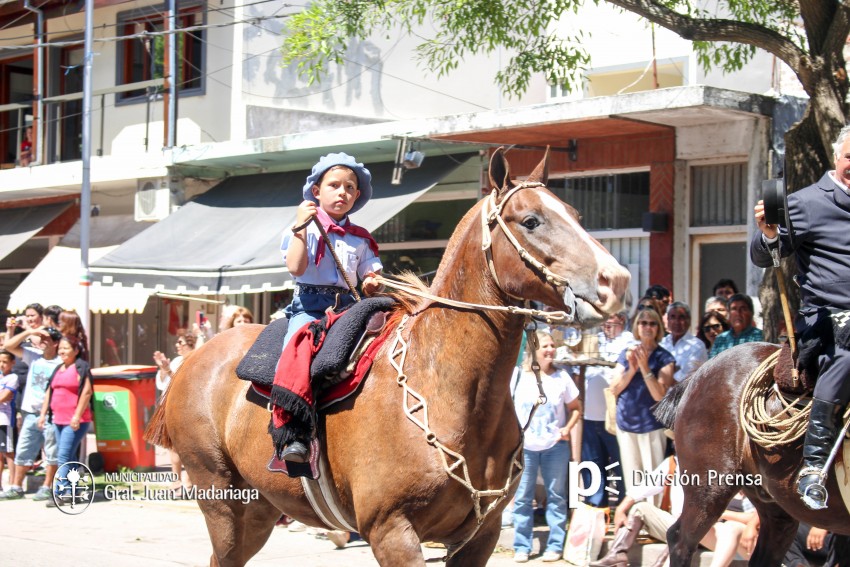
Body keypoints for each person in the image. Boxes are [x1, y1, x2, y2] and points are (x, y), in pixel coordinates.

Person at [752, 123, 850, 510]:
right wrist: (771, 236)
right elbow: (763, 256)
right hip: (825, 321)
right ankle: (814, 464)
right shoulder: (806, 202)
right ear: (837, 157)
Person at [278, 152, 383, 462]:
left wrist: (373, 283)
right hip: (309, 308)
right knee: (295, 354)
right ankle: (293, 434)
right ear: (316, 192)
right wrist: (300, 227)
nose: (343, 193)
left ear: (357, 195)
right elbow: (296, 268)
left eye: (350, 187)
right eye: (334, 185)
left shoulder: (361, 238)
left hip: (351, 309)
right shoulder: (302, 228)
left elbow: (371, 274)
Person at [591, 456, 758, 567]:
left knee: (728, 528)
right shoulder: (673, 463)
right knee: (642, 509)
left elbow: (755, 517)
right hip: (692, 527)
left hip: (732, 535)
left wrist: (718, 514)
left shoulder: (730, 475)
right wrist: (621, 508)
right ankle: (618, 554)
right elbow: (644, 486)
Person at [511, 330, 582, 563]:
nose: (551, 349)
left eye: (553, 345)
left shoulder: (562, 378)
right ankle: (521, 546)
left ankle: (555, 545)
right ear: (533, 351)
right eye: (545, 346)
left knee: (557, 497)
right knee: (522, 498)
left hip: (555, 447)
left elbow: (576, 409)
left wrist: (566, 428)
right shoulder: (517, 377)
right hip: (525, 448)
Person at [609, 307, 675, 501]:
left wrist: (645, 367)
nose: (647, 327)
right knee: (632, 479)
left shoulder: (664, 357)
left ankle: (652, 520)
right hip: (626, 424)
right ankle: (634, 520)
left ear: (658, 328)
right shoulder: (626, 353)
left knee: (652, 479)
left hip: (652, 426)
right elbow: (614, 389)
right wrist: (631, 369)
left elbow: (659, 395)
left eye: (652, 323)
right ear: (637, 326)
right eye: (643, 322)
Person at [0, 327, 62, 501]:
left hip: (51, 414)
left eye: (46, 338)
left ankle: (46, 486)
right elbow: (9, 345)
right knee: (23, 450)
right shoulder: (34, 356)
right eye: (40, 337)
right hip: (30, 412)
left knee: (51, 451)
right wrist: (29, 331)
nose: (42, 340)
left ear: (55, 343)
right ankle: (16, 487)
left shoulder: (59, 362)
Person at [581, 312, 634, 507]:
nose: (607, 323)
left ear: (622, 319)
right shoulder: (593, 339)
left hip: (615, 418)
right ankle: (595, 513)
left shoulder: (628, 341)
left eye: (612, 318)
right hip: (589, 416)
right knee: (591, 467)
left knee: (619, 466)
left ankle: (621, 511)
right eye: (604, 318)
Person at [40, 335, 93, 507]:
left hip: (76, 420)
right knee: (68, 456)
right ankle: (73, 490)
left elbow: (86, 392)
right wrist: (43, 414)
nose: (62, 351)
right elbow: (50, 391)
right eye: (60, 348)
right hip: (58, 419)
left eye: (66, 348)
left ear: (76, 351)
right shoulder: (58, 368)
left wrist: (77, 416)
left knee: (62, 456)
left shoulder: (81, 367)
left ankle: (61, 493)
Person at [153, 331, 195, 492]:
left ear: (190, 344)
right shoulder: (177, 360)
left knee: (190, 448)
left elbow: (183, 383)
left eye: (181, 342)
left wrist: (168, 370)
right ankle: (176, 481)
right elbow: (162, 383)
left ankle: (189, 481)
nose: (177, 345)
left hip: (187, 409)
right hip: (170, 407)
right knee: (173, 447)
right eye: (177, 342)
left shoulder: (195, 359)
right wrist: (163, 368)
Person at [659, 302, 707, 383]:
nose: (677, 321)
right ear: (667, 320)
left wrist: (666, 377)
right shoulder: (661, 343)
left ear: (689, 320)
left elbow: (690, 378)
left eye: (681, 317)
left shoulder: (697, 346)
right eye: (673, 317)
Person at [708, 294, 763, 359]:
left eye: (743, 309)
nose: (738, 313)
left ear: (751, 313)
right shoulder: (720, 339)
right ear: (729, 314)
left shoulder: (760, 337)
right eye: (734, 309)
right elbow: (711, 365)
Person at [0, 350, 18, 493]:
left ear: (12, 363)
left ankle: (13, 484)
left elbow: (4, 397)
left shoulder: (13, 377)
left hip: (5, 419)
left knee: (8, 452)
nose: (1, 364)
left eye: (5, 362)